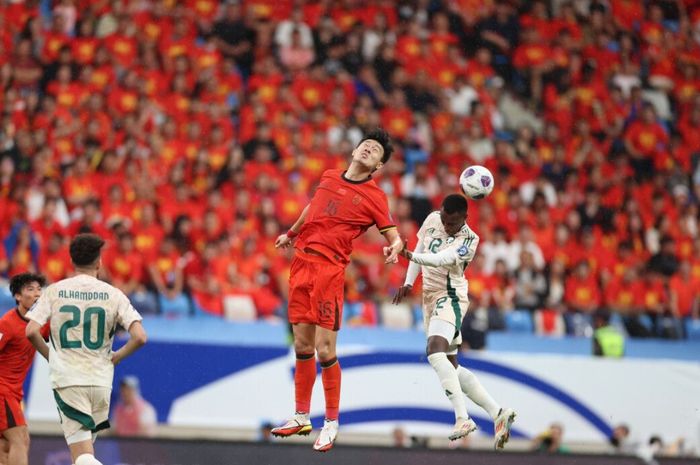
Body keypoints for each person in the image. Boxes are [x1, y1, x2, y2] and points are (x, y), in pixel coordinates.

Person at [271, 128, 403, 452]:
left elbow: (394, 234)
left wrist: (396, 247)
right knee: (302, 345)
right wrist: (291, 232)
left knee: (325, 350)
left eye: (376, 151)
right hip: (301, 263)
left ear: (379, 167)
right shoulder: (329, 176)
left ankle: (331, 422)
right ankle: (302, 415)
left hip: (329, 271)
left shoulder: (375, 196)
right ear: (355, 149)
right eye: (366, 145)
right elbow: (313, 208)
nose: (369, 149)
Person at [393, 194, 516, 449]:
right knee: (451, 365)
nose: (448, 227)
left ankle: (463, 418)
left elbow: (439, 259)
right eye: (446, 222)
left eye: (454, 223)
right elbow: (421, 250)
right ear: (440, 212)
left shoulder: (470, 239)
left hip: (450, 297)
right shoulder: (431, 219)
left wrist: (407, 255)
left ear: (465, 219)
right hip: (429, 297)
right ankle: (498, 413)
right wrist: (408, 282)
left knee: (434, 351)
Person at [25, 234, 147, 465]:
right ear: (99, 262)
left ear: (71, 261)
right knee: (82, 454)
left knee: (82, 457)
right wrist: (118, 356)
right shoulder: (114, 294)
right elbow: (140, 336)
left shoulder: (55, 291)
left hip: (70, 380)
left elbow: (31, 331)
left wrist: (53, 357)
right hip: (101, 382)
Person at [0, 273, 47, 465]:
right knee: (21, 438)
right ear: (18, 296)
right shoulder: (7, 323)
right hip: (2, 391)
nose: (36, 294)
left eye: (39, 289)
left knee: (5, 446)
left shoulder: (41, 323)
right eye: (30, 289)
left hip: (15, 392)